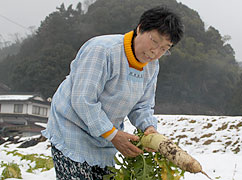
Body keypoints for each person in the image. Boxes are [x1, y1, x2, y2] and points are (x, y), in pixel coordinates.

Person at [42, 5, 184, 180]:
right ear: (140, 28)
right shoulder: (103, 50)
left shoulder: (152, 66)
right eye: (154, 41)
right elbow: (82, 100)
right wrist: (113, 135)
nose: (156, 52)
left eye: (164, 48)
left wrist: (149, 127)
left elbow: (142, 105)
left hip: (105, 138)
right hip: (72, 130)